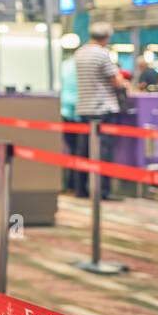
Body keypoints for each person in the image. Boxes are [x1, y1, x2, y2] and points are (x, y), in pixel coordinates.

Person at [73, 21, 128, 199]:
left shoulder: (80, 52)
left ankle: (81, 190)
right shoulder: (102, 54)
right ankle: (102, 192)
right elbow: (115, 81)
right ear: (106, 37)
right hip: (103, 109)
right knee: (103, 152)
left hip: (84, 108)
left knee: (83, 151)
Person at [59, 51, 79, 191]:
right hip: (78, 112)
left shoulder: (64, 65)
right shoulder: (80, 66)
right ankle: (75, 185)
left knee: (71, 149)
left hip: (64, 111)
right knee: (79, 151)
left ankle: (69, 184)